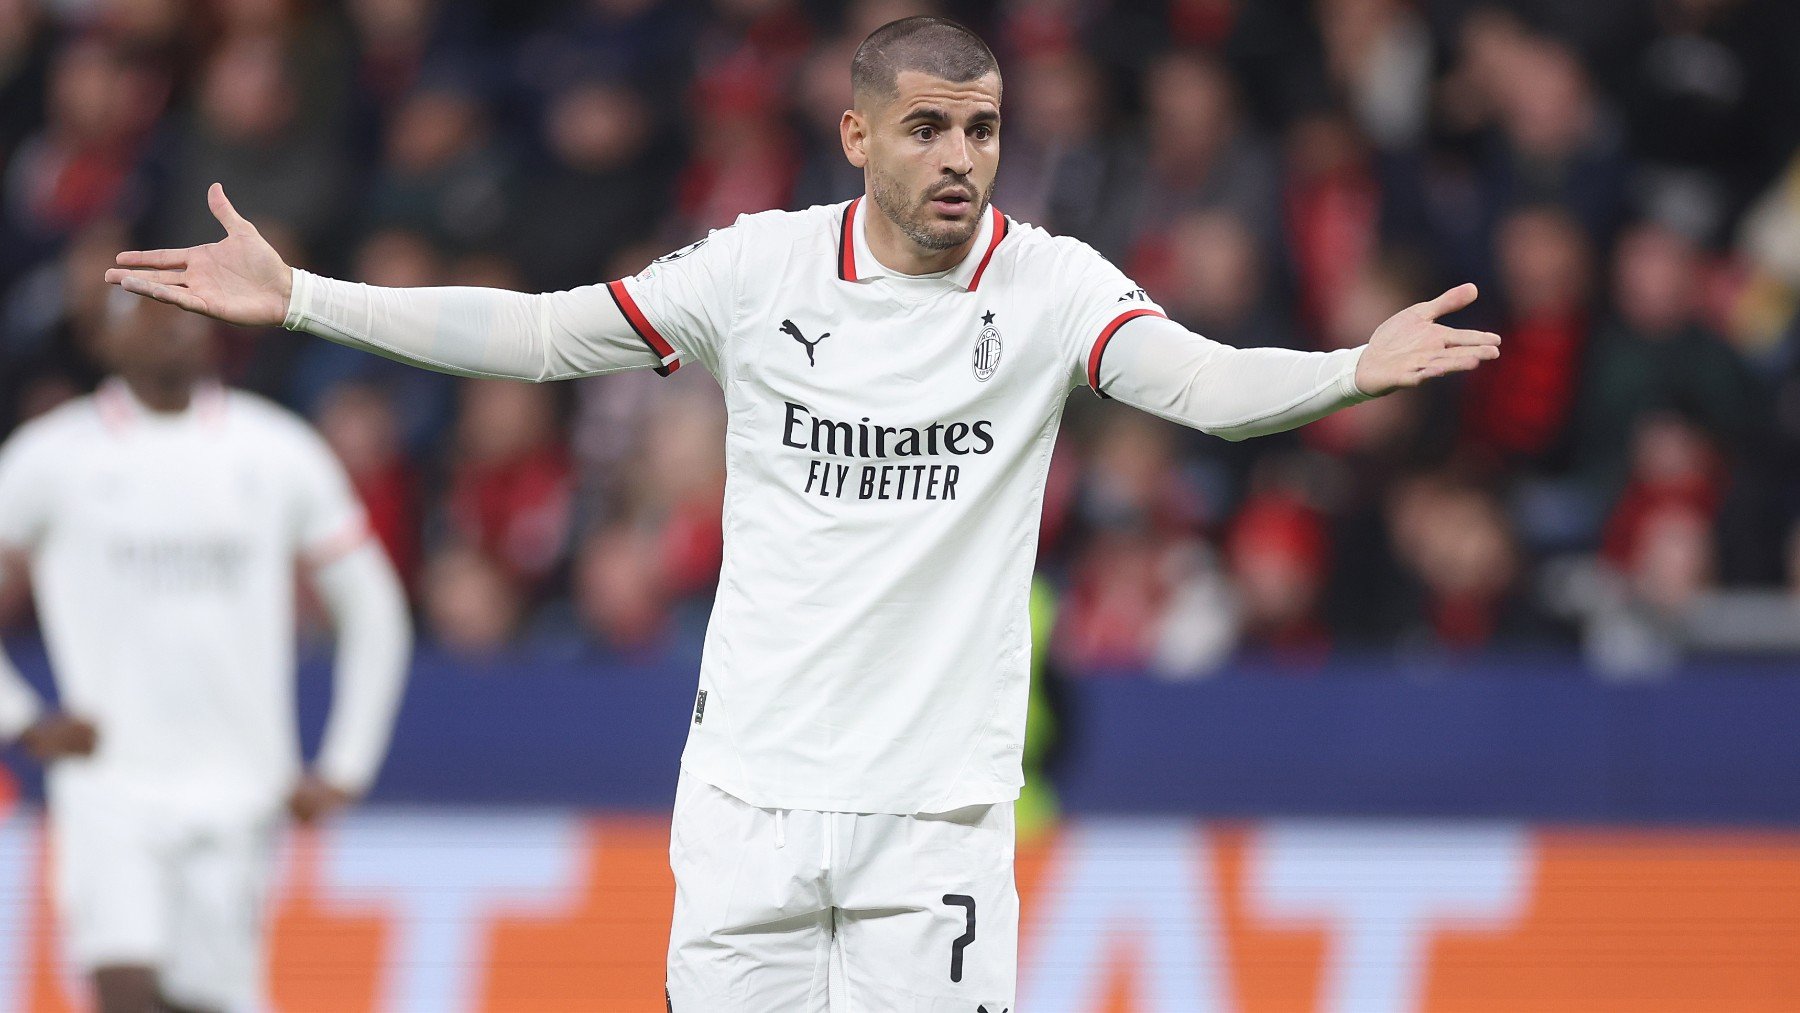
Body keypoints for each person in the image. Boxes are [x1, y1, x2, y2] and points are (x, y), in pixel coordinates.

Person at [103, 16, 1498, 1011]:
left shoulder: (1054, 283)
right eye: (930, 127)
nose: (963, 157)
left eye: (985, 128)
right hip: (748, 805)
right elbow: (536, 336)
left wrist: (1345, 372)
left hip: (939, 815)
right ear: (856, 134)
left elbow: (1206, 386)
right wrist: (301, 298)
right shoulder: (759, 269)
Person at [0, 293, 412, 1013]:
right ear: (104, 339)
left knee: (209, 998)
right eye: (146, 312)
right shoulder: (51, 456)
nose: (170, 327)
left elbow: (373, 608)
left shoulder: (276, 449)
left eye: (184, 312)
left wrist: (348, 763)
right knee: (123, 987)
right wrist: (21, 718)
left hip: (242, 786)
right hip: (110, 783)